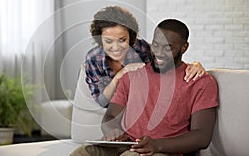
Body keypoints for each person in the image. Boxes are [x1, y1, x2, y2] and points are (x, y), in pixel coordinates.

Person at [71, 19, 219, 156]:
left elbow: (202, 136)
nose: (159, 53)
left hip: (164, 150)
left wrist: (156, 145)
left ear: (184, 48)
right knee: (83, 152)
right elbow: (110, 116)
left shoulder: (200, 82)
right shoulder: (132, 75)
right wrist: (113, 131)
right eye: (155, 45)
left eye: (167, 48)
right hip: (126, 145)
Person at [85, 6, 205, 108]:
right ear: (99, 39)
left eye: (122, 40)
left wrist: (195, 66)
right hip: (113, 112)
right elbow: (102, 102)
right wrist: (120, 75)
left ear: (131, 36)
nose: (116, 47)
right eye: (108, 41)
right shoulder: (93, 59)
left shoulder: (142, 49)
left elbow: (167, 61)